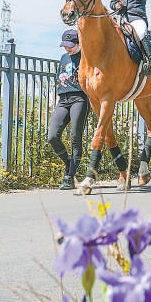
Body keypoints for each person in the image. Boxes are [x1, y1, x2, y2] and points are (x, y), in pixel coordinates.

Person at [47, 29, 90, 190]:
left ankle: (70, 176)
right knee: (52, 136)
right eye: (65, 45)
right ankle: (69, 164)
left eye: (70, 45)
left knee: (74, 136)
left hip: (80, 98)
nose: (67, 48)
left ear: (79, 43)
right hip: (63, 99)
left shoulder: (86, 57)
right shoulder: (64, 58)